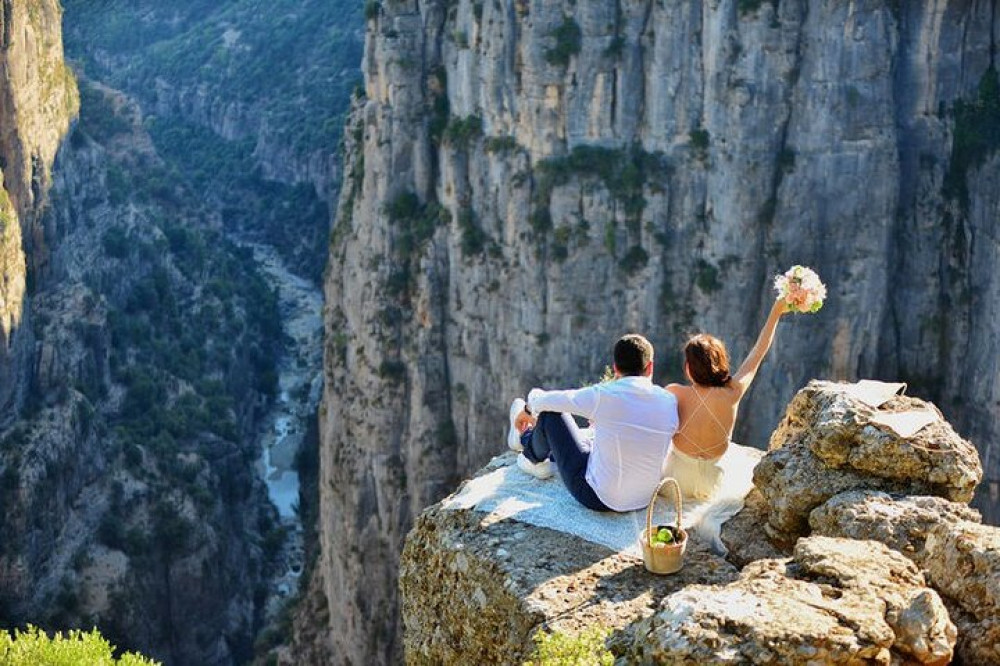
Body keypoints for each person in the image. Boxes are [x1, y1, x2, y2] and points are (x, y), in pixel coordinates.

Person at [507, 334, 679, 512]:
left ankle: (528, 448)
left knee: (551, 415)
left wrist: (527, 410)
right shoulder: (669, 401)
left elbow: (548, 400)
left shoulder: (604, 395)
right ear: (650, 367)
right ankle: (544, 453)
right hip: (645, 499)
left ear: (615, 368)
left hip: (597, 497)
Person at [663, 297, 789, 499]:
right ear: (721, 363)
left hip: (676, 481)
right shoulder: (733, 392)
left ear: (688, 368)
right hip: (713, 483)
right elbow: (758, 352)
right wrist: (776, 311)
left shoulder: (674, 392)